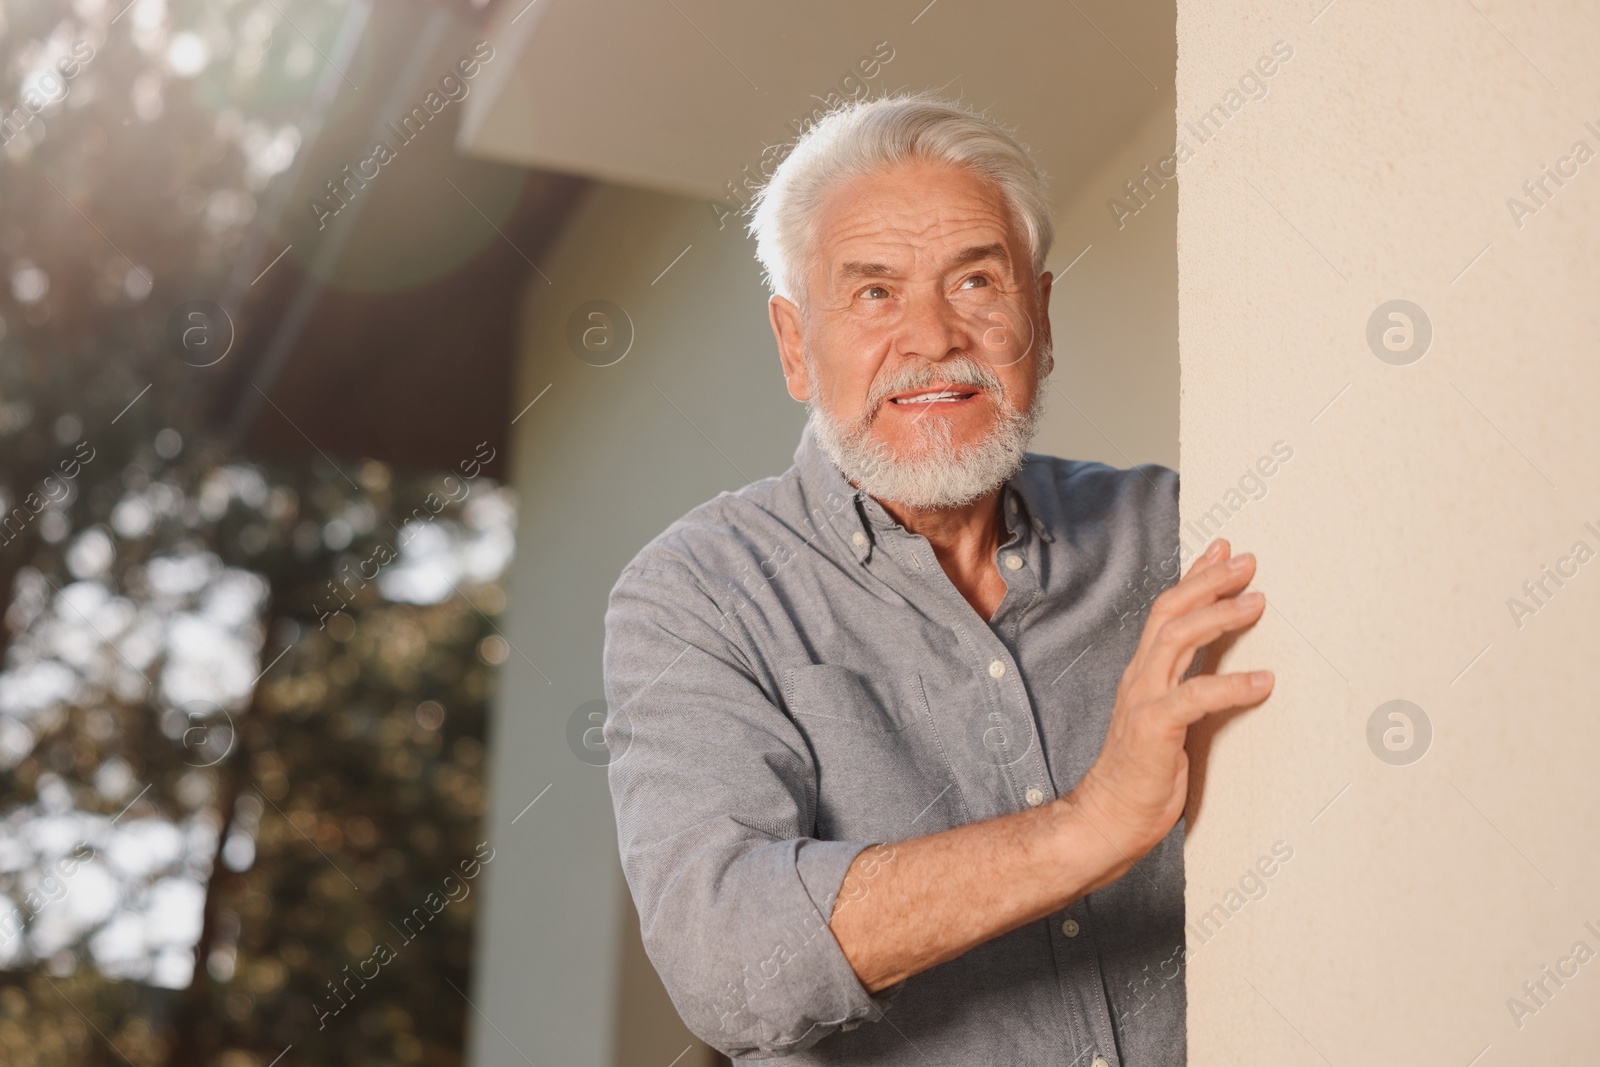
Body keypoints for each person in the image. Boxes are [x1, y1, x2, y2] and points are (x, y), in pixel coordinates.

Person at [601, 91, 1272, 1065]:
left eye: (975, 282)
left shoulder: (1174, 532)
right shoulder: (700, 592)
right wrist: (1089, 823)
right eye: (873, 292)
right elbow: (724, 960)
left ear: (1039, 318)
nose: (931, 337)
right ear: (795, 345)